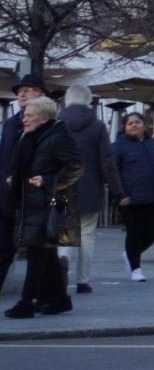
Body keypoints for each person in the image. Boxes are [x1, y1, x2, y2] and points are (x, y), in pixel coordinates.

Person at [5, 96, 84, 317]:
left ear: (44, 117)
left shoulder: (58, 137)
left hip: (46, 204)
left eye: (29, 115)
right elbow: (28, 166)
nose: (24, 119)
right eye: (24, 115)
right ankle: (59, 300)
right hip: (29, 202)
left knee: (37, 251)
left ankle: (26, 302)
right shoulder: (29, 136)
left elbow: (76, 167)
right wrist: (17, 178)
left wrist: (48, 181)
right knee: (44, 253)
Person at [57, 85, 120, 295]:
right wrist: (117, 189)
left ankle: (63, 260)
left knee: (65, 231)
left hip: (62, 186)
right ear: (88, 100)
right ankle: (83, 281)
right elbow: (107, 161)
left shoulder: (56, 124)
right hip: (90, 187)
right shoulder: (97, 126)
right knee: (87, 234)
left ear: (67, 100)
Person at [111, 112, 154, 281]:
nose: (134, 125)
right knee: (135, 233)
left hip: (153, 197)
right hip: (130, 199)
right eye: (130, 123)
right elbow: (112, 173)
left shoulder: (153, 145)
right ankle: (135, 269)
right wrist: (119, 195)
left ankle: (131, 254)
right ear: (124, 127)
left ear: (144, 125)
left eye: (137, 122)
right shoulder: (118, 146)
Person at [0, 73, 46, 292]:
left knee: (40, 251)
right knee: (4, 246)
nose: (21, 94)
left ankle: (53, 295)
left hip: (34, 198)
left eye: (27, 90)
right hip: (8, 197)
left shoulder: (50, 127)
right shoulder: (11, 124)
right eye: (19, 91)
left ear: (40, 95)